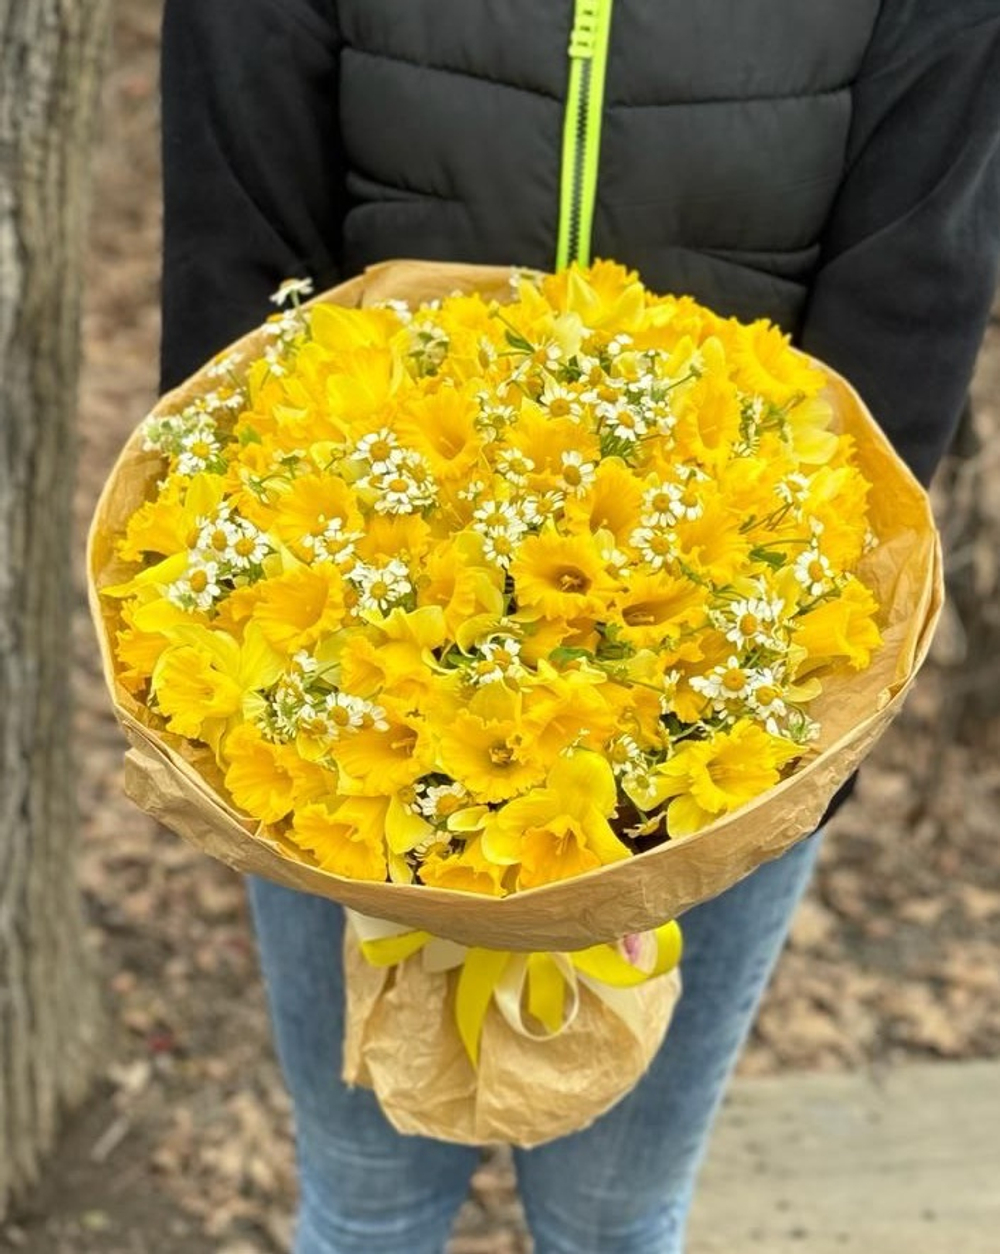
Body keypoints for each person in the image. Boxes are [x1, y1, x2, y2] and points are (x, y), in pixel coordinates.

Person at [158, 4, 1000, 1251]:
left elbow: (908, 304)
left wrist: (777, 713)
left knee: (614, 1219)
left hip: (719, 712)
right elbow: (240, 275)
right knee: (367, 1204)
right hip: (342, 698)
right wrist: (286, 651)